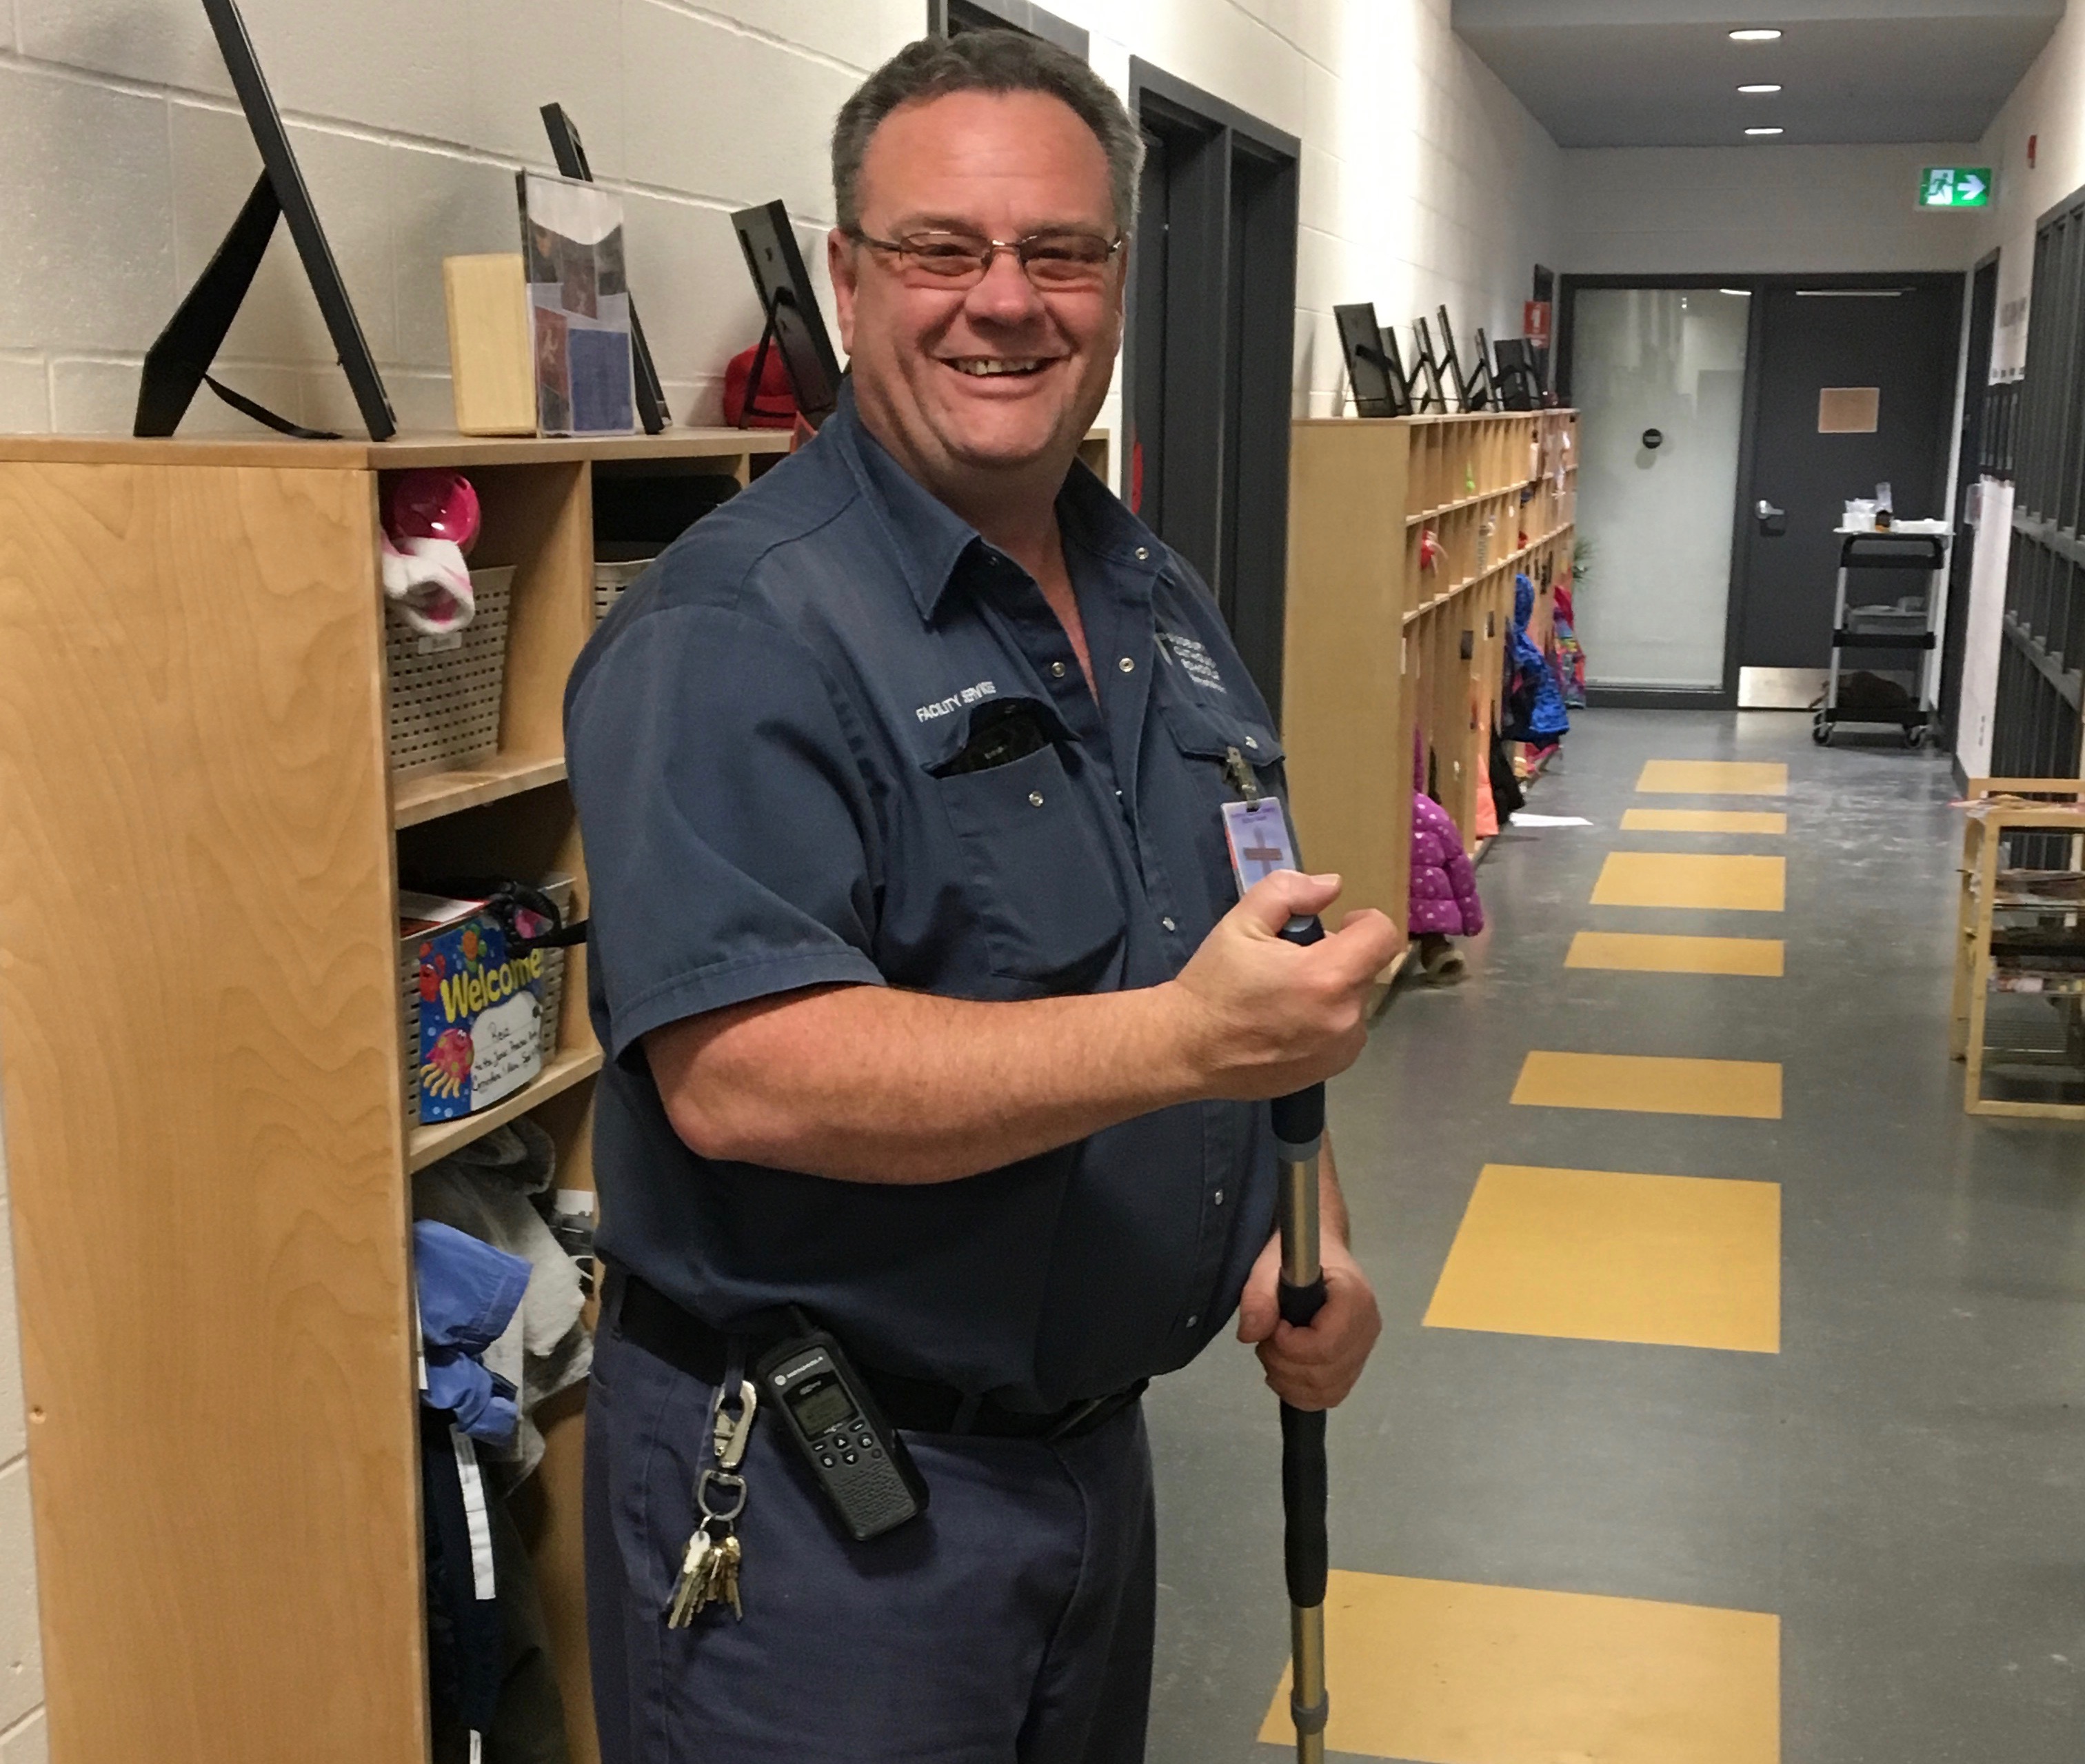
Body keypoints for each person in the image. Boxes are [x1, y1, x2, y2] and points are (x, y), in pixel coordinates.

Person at [564, 29, 1397, 1764]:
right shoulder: (737, 632)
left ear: (1115, 280)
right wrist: (1181, 1045)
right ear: (853, 279)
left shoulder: (1155, 592)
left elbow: (1241, 944)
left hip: (1085, 1473)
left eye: (1061, 252)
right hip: (819, 1516)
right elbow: (747, 1075)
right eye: (943, 248)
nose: (1002, 301)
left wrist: (1298, 1242)